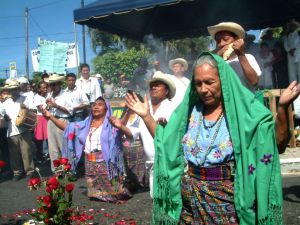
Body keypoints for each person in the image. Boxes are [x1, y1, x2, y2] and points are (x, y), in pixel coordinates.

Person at [126, 53, 299, 224]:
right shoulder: (189, 112)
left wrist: (283, 107)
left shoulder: (245, 113)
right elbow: (167, 143)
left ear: (223, 80)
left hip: (227, 200)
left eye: (209, 82)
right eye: (198, 83)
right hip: (189, 197)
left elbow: (276, 144)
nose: (203, 89)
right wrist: (147, 117)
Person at [44, 97, 131, 203]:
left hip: (106, 161)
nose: (96, 107)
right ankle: (99, 195)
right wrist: (51, 117)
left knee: (117, 194)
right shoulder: (86, 124)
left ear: (106, 108)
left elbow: (128, 134)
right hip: (90, 162)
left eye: (100, 104)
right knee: (95, 193)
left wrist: (121, 126)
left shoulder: (111, 124)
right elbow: (67, 128)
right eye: (94, 105)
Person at [113, 71, 177, 198]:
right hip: (152, 165)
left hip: (170, 164)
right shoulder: (144, 109)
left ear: (167, 91)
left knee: (170, 200)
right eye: (152, 85)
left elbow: (174, 136)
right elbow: (133, 134)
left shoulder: (173, 107)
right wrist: (121, 126)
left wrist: (165, 126)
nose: (153, 87)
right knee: (156, 199)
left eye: (158, 85)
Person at [207, 22, 261, 92]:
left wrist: (241, 55)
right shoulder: (213, 61)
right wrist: (217, 58)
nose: (221, 44)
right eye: (218, 41)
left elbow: (254, 82)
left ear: (237, 39)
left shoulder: (249, 57)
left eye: (226, 39)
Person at [1, 80, 35, 181]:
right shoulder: (6, 102)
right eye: (11, 89)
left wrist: (26, 110)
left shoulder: (25, 98)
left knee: (26, 152)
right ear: (9, 90)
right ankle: (17, 172)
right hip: (11, 130)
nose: (13, 91)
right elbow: (3, 116)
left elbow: (33, 111)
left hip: (24, 129)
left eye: (15, 89)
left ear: (18, 89)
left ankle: (30, 171)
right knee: (14, 153)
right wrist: (6, 118)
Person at [45, 74, 70, 171]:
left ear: (59, 84)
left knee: (63, 147)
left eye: (54, 84)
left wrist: (56, 106)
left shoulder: (66, 94)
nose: (52, 86)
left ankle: (67, 169)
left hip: (62, 120)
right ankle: (56, 170)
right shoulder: (50, 95)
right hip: (51, 120)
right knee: (52, 148)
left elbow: (70, 111)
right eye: (51, 84)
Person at [33, 81, 49, 163]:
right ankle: (39, 156)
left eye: (46, 87)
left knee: (49, 139)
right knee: (39, 139)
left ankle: (48, 156)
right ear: (39, 89)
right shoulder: (36, 97)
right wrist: (48, 105)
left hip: (48, 118)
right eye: (43, 88)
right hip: (41, 118)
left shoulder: (48, 95)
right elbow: (41, 110)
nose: (45, 89)